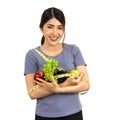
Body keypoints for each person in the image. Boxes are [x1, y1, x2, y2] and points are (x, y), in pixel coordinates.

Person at [24, 7, 90, 120]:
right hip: (45, 116)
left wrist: (57, 89)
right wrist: (64, 84)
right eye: (50, 27)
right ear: (41, 28)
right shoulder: (32, 55)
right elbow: (33, 93)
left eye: (60, 28)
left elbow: (85, 84)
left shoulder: (73, 50)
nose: (55, 33)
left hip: (74, 114)